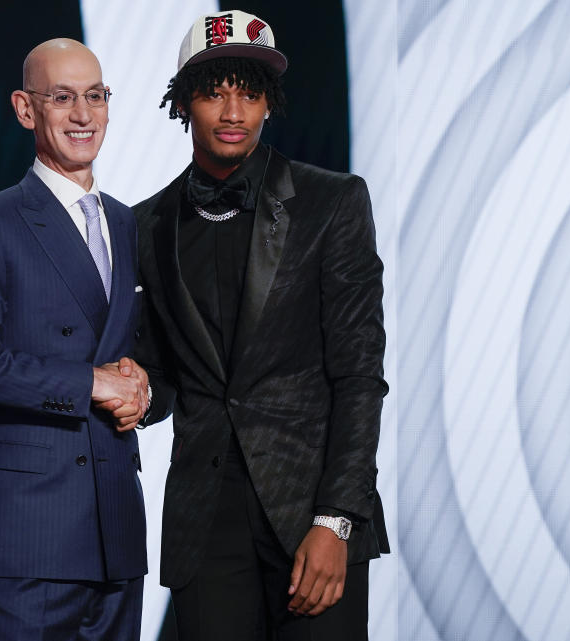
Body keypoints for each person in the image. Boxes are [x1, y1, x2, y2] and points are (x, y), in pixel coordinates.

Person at [133, 10, 390, 641]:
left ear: (269, 104)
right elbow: (166, 379)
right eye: (214, 91)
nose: (232, 110)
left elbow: (359, 374)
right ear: (182, 101)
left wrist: (337, 521)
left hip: (311, 517)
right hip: (204, 527)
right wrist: (133, 390)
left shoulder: (333, 202)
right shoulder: (146, 226)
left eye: (249, 93)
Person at [0, 38, 150, 641]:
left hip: (115, 529)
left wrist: (143, 387)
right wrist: (92, 382)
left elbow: (137, 351)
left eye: (95, 96)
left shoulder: (128, 224)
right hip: (26, 535)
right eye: (62, 98)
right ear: (26, 110)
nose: (83, 115)